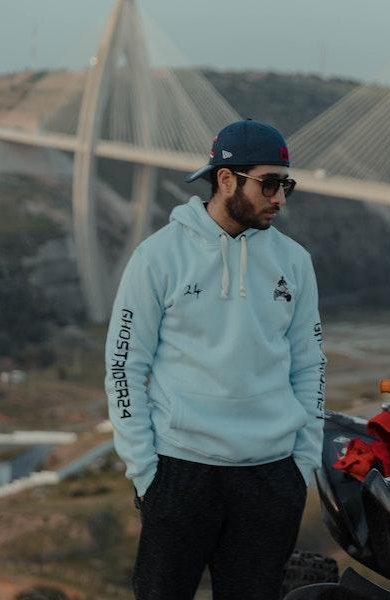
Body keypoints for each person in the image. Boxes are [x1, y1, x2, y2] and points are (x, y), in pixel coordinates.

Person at [104, 119, 326, 600]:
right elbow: (124, 365)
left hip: (271, 475)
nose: (280, 198)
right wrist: (145, 470)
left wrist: (302, 465)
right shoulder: (157, 257)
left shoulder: (295, 261)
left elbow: (309, 366)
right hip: (180, 470)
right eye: (269, 184)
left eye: (286, 184)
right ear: (226, 179)